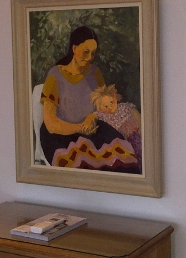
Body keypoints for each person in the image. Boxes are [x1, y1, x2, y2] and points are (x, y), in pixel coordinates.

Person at [39, 26, 140, 173]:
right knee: (82, 166)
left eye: (93, 53)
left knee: (123, 159)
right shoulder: (55, 75)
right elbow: (50, 124)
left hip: (93, 130)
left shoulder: (94, 72)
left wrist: (93, 118)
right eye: (86, 52)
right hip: (60, 136)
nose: (89, 58)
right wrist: (80, 128)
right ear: (74, 48)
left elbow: (103, 107)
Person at [91, 84, 142, 167]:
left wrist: (141, 129)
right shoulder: (104, 115)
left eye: (111, 102)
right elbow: (93, 116)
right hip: (122, 144)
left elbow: (138, 118)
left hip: (137, 135)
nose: (110, 107)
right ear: (100, 108)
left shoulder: (125, 107)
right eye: (106, 106)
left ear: (114, 96)